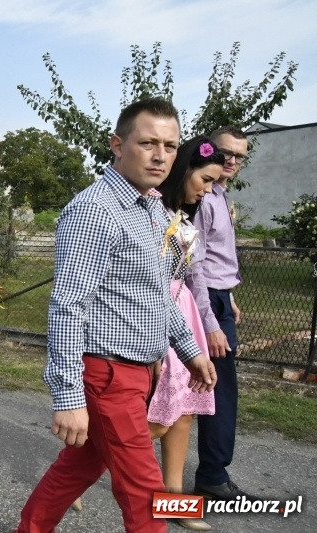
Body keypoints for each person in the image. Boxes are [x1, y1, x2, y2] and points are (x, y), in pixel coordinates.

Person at [14, 98, 217, 533]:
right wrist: (68, 398)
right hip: (107, 376)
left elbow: (156, 293)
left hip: (140, 371)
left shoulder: (151, 208)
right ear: (117, 145)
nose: (161, 155)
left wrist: (189, 349)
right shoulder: (96, 211)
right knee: (147, 497)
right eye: (147, 143)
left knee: (77, 470)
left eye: (169, 144)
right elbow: (68, 306)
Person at [147, 136, 223, 532]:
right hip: (156, 315)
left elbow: (194, 275)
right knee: (157, 416)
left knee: (186, 410)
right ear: (186, 171)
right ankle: (78, 473)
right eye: (206, 180)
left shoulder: (185, 214)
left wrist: (206, 323)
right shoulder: (152, 210)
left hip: (184, 312)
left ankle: (173, 502)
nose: (208, 190)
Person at [188, 126, 258, 501]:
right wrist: (212, 321)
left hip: (218, 296)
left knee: (208, 389)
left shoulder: (218, 191)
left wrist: (227, 295)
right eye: (224, 152)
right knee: (217, 391)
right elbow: (193, 264)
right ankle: (212, 476)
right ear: (207, 149)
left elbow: (214, 260)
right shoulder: (203, 196)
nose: (231, 160)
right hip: (205, 302)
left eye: (239, 156)